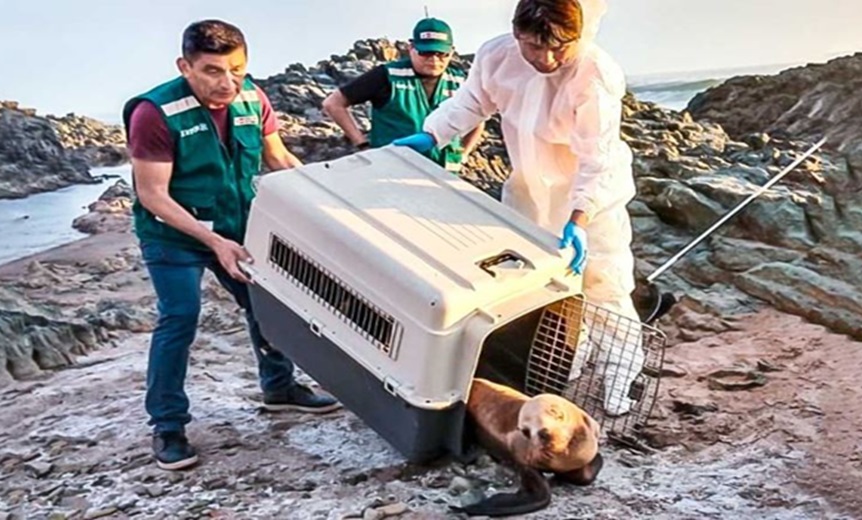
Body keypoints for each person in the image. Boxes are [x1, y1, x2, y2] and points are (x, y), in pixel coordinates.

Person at [394, 0, 643, 417]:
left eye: (559, 47)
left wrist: (580, 218)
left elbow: (596, 159)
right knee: (540, 284)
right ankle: (570, 355)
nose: (545, 59)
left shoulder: (594, 73)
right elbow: (471, 102)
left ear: (577, 36)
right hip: (527, 189)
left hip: (591, 197)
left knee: (605, 282)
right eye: (532, 46)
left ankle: (622, 374)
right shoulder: (497, 56)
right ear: (516, 34)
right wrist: (431, 134)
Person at [123, 19, 340, 471]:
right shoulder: (154, 113)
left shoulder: (251, 96)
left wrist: (324, 200)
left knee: (267, 303)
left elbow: (277, 157)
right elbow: (153, 195)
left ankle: (279, 388)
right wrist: (213, 242)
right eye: (213, 71)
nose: (227, 83)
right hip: (174, 234)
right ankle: (168, 426)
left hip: (238, 222)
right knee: (180, 318)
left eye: (237, 69)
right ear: (185, 66)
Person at [322, 17, 484, 173]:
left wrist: (463, 154)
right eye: (425, 53)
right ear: (411, 48)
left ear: (451, 51)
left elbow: (478, 117)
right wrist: (362, 144)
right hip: (392, 171)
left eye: (441, 53)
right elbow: (333, 103)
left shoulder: (460, 80)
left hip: (444, 175)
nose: (434, 60)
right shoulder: (387, 75)